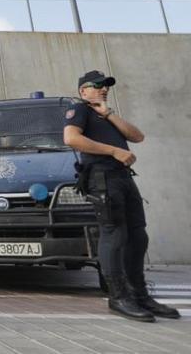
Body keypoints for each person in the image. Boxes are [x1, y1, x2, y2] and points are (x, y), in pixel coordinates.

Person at [64, 70, 180, 322]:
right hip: (102, 178)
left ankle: (139, 295)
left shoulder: (105, 115)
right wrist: (114, 151)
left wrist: (108, 113)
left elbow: (137, 136)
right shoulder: (79, 109)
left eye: (106, 85)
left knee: (138, 235)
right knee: (114, 234)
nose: (103, 89)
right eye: (97, 86)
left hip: (124, 177)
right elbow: (71, 138)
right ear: (83, 91)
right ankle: (118, 297)